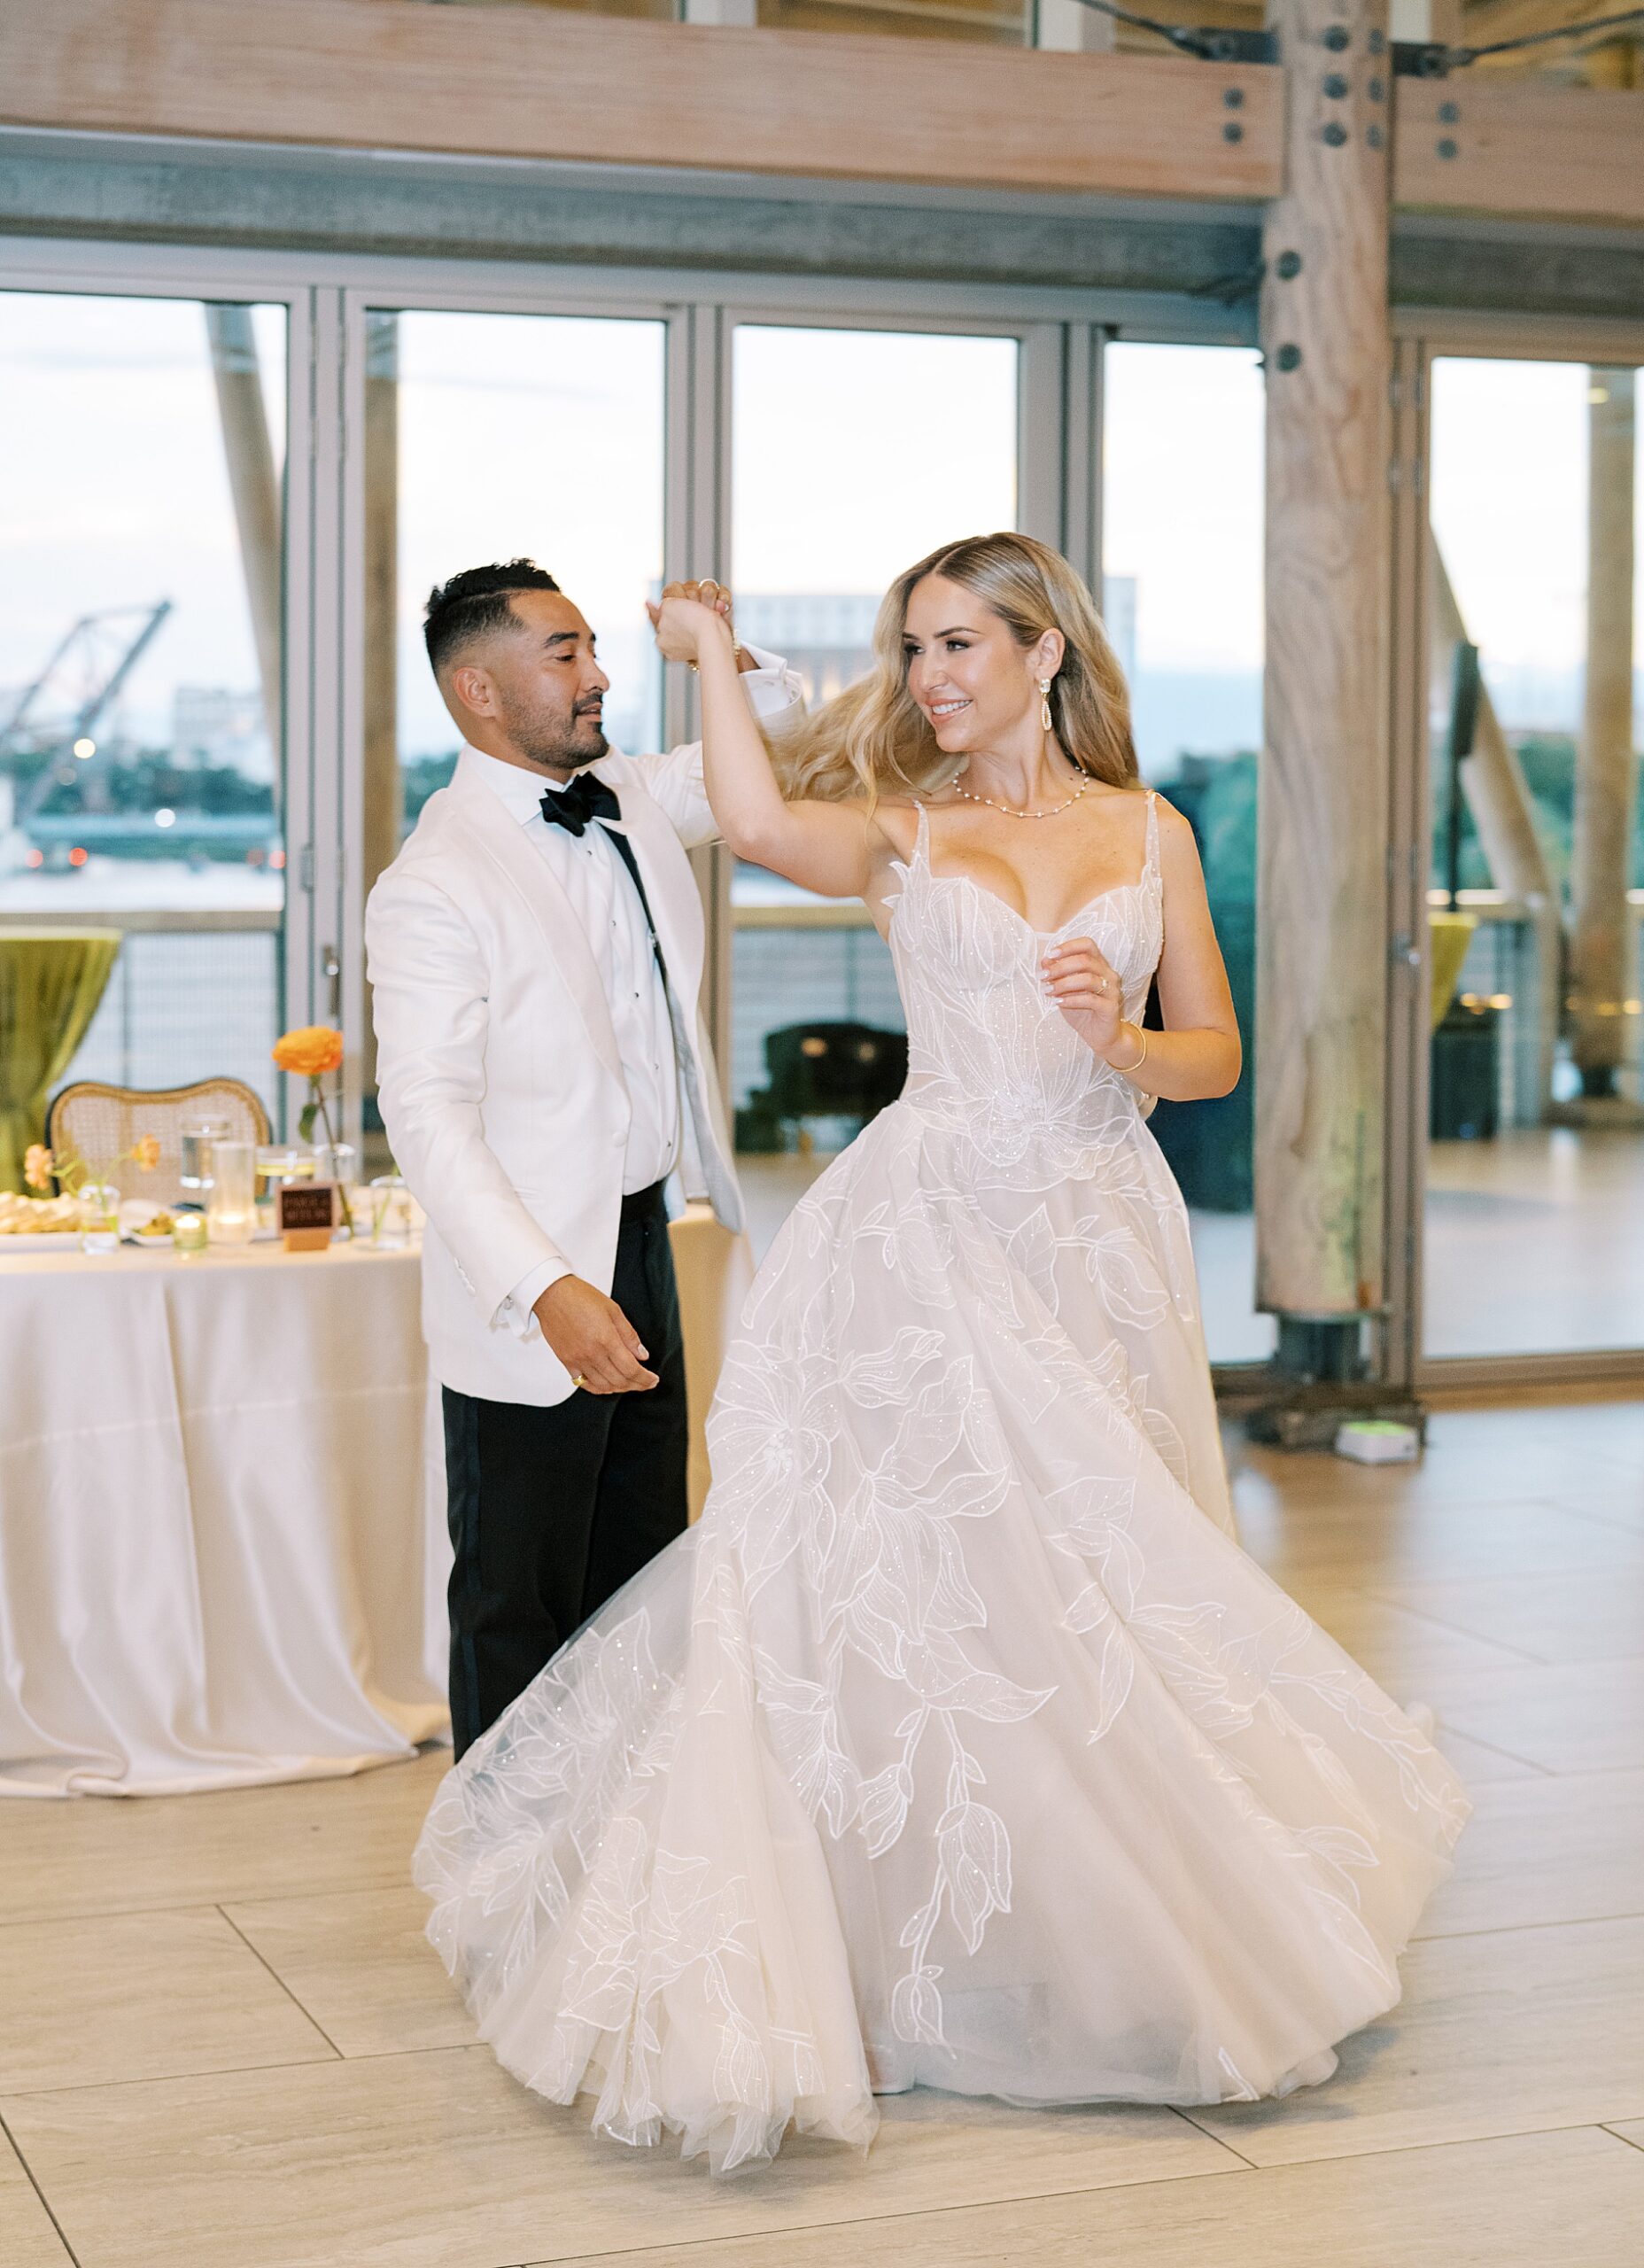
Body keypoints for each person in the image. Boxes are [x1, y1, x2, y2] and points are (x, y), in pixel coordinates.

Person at [414, 534, 1468, 2173]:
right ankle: (907, 1928)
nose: (928, 677)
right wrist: (706, 658)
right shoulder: (903, 828)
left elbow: (1212, 1052)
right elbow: (757, 818)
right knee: (917, 1585)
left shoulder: (1154, 831)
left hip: (1096, 1237)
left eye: (960, 643)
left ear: (1046, 654)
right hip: (922, 1238)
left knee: (1101, 1577)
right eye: (913, 648)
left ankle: (1104, 1921)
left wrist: (1121, 1043)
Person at [367, 559, 803, 1758]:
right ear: (480, 691)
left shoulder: (630, 796)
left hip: (647, 1237)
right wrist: (549, 1287)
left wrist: (718, 652)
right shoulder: (434, 881)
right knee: (517, 1598)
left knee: (644, 1579)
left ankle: (627, 1846)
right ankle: (504, 1866)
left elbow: (773, 743)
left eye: (594, 647)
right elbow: (427, 1115)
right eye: (565, 654)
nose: (599, 674)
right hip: (534, 1278)